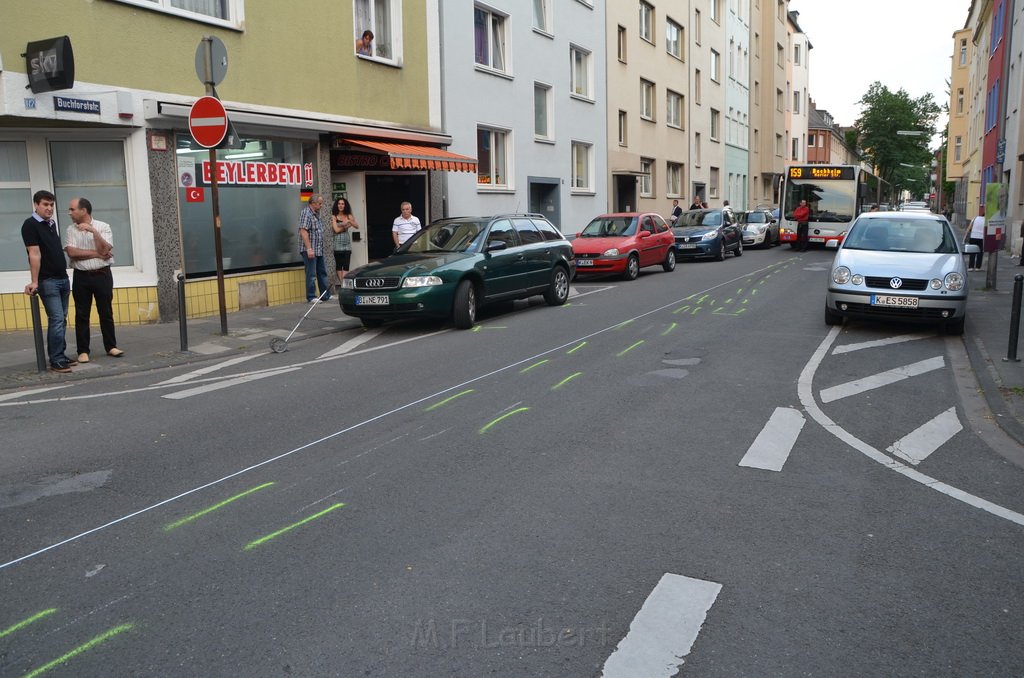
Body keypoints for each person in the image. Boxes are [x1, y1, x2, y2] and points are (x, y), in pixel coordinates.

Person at [21, 190, 77, 373]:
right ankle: (56, 360)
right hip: (48, 280)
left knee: (62, 319)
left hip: (62, 277)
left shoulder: (51, 223)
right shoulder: (30, 225)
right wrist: (34, 281)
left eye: (51, 205)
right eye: (45, 204)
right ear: (36, 205)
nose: (49, 208)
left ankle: (60, 353)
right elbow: (34, 254)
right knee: (57, 319)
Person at [63, 197, 122, 362]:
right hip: (81, 276)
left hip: (102, 274)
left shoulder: (103, 227)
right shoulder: (71, 230)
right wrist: (97, 254)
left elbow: (106, 248)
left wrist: (94, 232)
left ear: (84, 211)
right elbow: (72, 253)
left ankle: (111, 346)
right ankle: (83, 351)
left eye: (72, 209)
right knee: (82, 314)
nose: (69, 213)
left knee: (106, 311)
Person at [298, 194, 330, 303]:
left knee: (322, 272)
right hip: (310, 250)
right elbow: (303, 231)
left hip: (318, 249)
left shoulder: (316, 214)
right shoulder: (306, 213)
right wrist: (309, 249)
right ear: (313, 203)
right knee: (311, 274)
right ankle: (311, 296)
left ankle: (325, 295)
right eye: (320, 203)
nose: (321, 205)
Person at [331, 197, 359, 285]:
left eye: (342, 204)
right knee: (339, 265)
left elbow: (356, 226)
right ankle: (343, 283)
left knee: (346, 265)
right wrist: (345, 226)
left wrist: (349, 221)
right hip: (337, 243)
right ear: (337, 205)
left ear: (345, 205)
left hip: (346, 243)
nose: (341, 205)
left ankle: (344, 283)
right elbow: (336, 230)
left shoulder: (348, 215)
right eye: (339, 204)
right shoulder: (333, 216)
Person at [966, 206, 985, 271]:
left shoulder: (975, 218)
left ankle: (970, 267)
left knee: (972, 252)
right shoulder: (986, 221)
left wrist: (966, 236)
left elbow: (969, 228)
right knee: (980, 252)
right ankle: (977, 267)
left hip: (973, 236)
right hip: (981, 238)